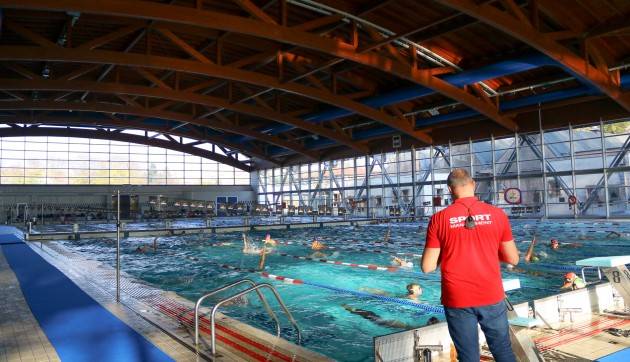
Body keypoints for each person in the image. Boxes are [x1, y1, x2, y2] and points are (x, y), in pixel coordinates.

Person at [421, 169, 519, 362]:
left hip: (457, 298)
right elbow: (513, 259)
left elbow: (427, 266)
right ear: (473, 184)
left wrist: (447, 251)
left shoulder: (439, 219)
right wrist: (488, 251)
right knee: (503, 351)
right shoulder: (498, 214)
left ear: (450, 189)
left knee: (468, 357)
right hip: (491, 294)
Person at [342, 304, 413, 329]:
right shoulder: (367, 314)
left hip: (377, 320)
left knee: (387, 322)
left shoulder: (367, 314)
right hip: (378, 320)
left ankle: (346, 307)